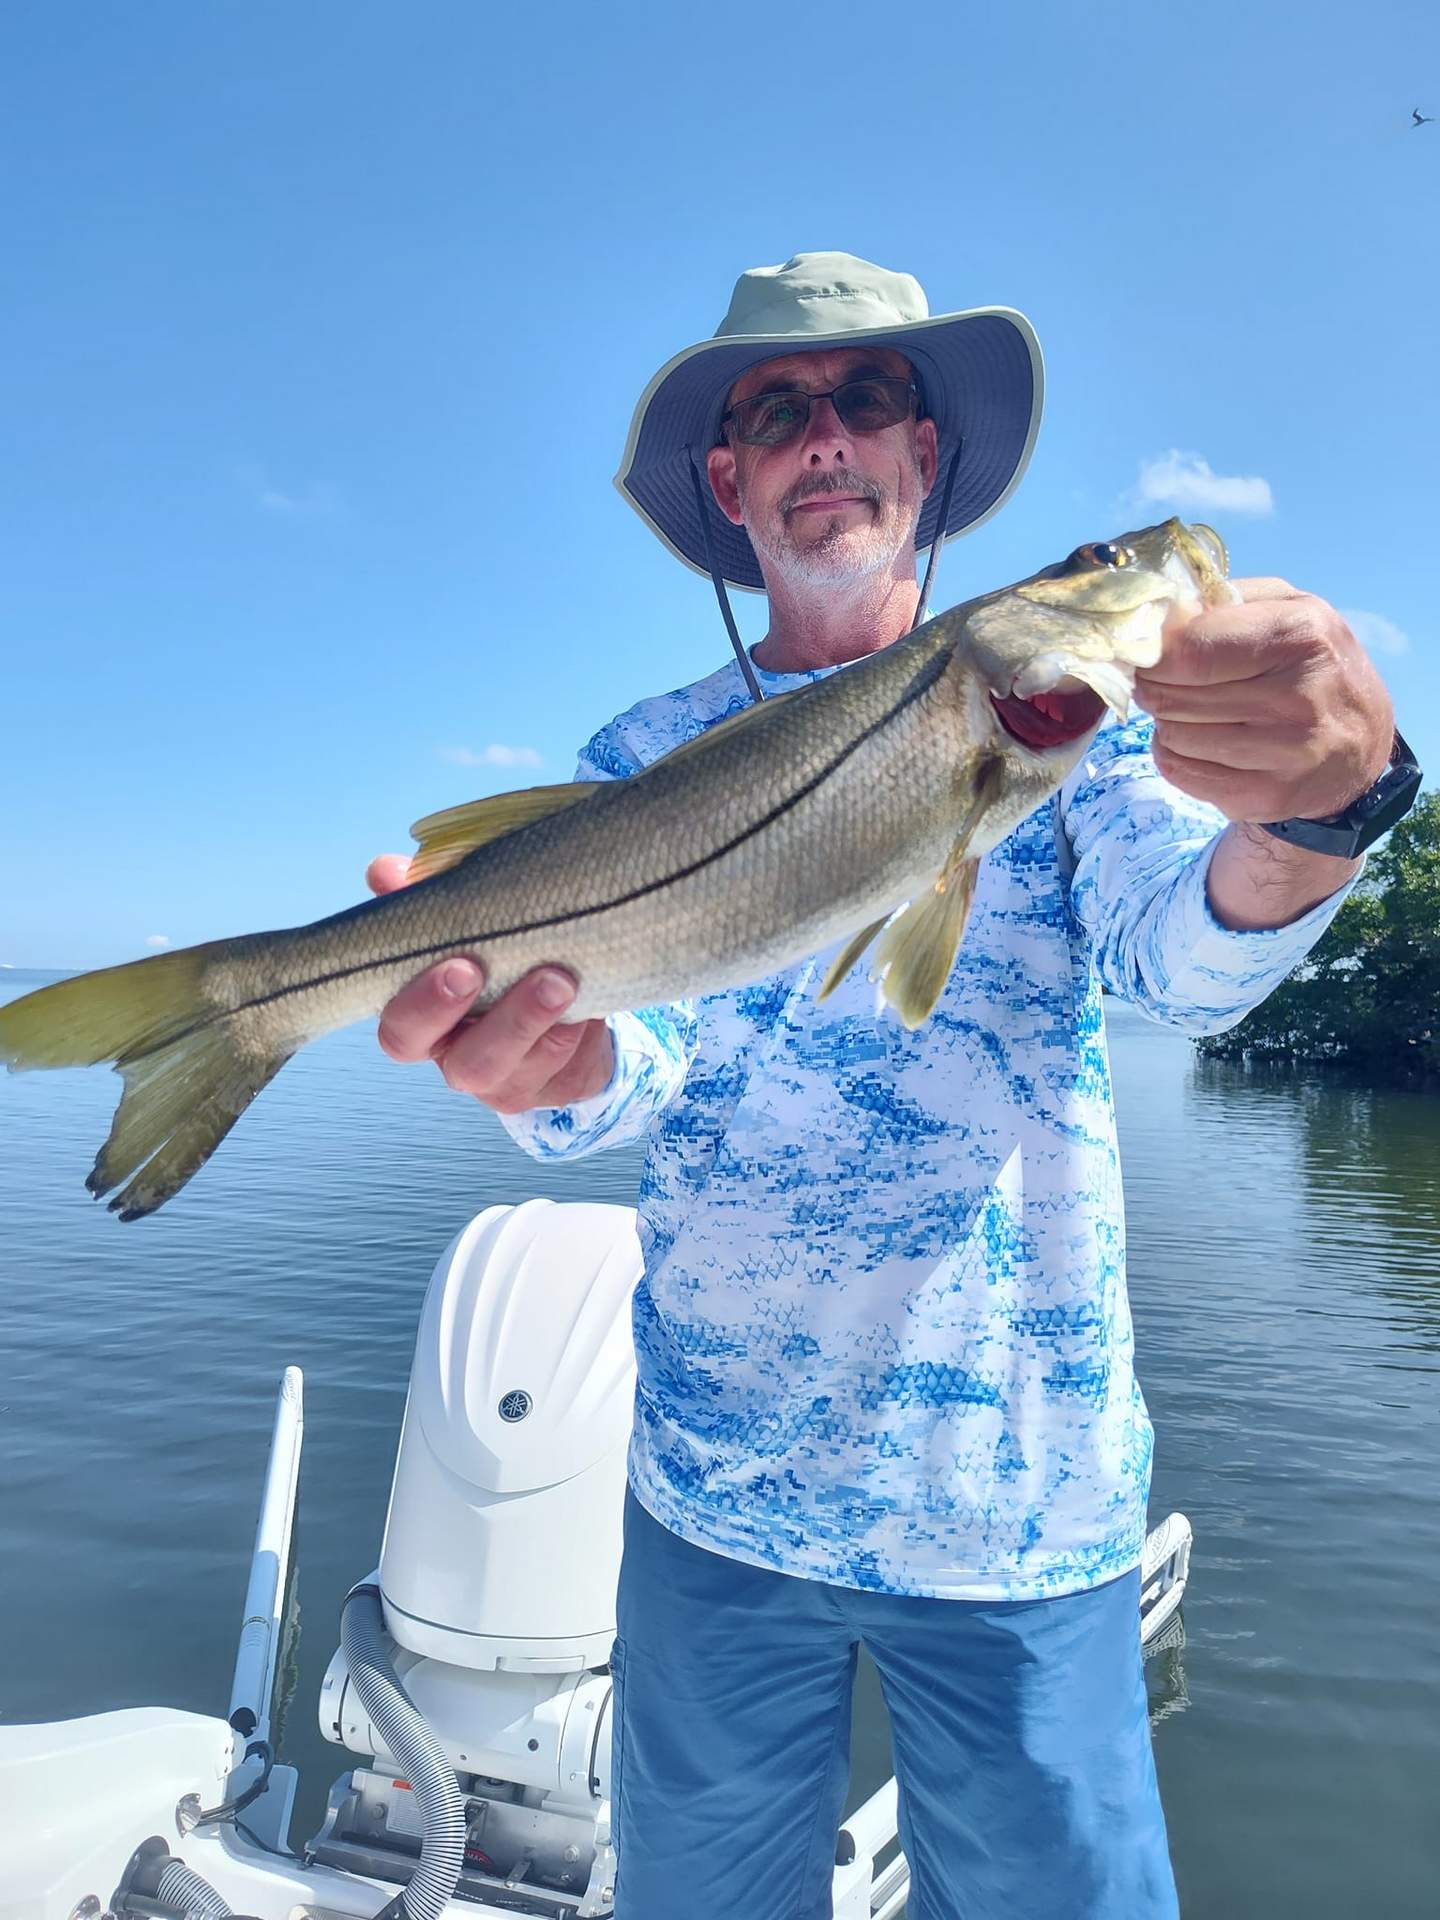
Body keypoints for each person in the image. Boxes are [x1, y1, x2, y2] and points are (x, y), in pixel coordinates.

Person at [368, 254, 1409, 1918]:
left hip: (1017, 1506)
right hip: (709, 1497)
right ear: (732, 482)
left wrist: (1329, 815)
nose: (826, 437)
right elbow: (612, 1077)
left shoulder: (1091, 741)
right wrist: (540, 1075)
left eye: (868, 401)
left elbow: (1187, 967)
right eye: (779, 412)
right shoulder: (646, 755)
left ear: (928, 460)